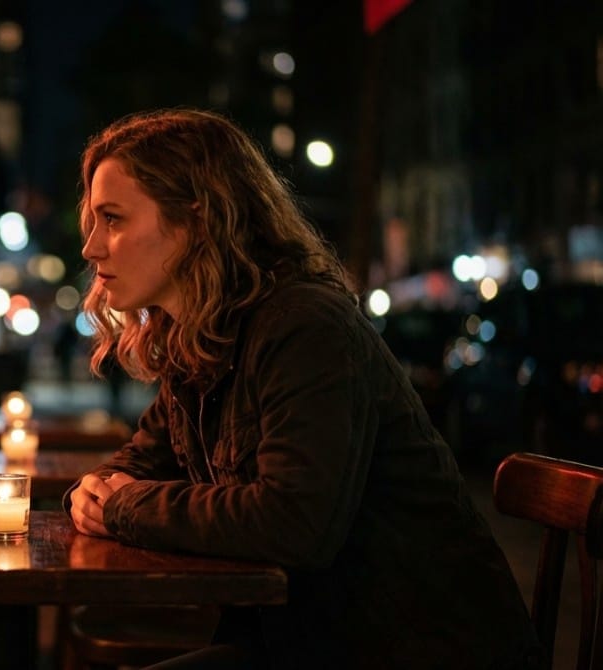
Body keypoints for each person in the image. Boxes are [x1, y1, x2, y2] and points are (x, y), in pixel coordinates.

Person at [65, 109, 541, 669]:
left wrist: (122, 506)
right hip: (304, 641)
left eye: (113, 219)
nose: (91, 247)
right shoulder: (200, 335)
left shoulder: (303, 326)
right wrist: (95, 491)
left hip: (415, 648)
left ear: (196, 220)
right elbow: (145, 458)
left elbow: (294, 521)